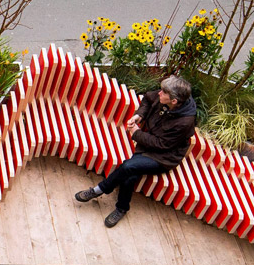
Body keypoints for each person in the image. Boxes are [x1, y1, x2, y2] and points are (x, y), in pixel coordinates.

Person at [75, 75, 196, 227]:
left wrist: (136, 133)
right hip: (148, 142)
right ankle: (122, 208)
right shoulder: (168, 96)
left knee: (128, 167)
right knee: (129, 177)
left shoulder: (184, 122)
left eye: (163, 93)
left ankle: (99, 190)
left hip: (163, 157)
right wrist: (140, 115)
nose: (159, 93)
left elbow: (162, 145)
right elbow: (147, 99)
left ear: (174, 101)